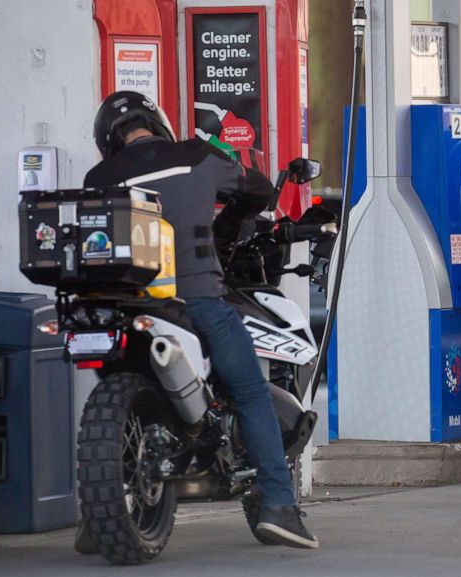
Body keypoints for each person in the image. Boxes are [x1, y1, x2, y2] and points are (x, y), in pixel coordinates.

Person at [79, 91, 319, 549]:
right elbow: (260, 190)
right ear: (156, 121)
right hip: (197, 299)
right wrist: (233, 218)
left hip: (124, 307)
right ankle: (279, 508)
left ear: (108, 138)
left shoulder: (99, 177)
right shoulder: (194, 154)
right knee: (250, 393)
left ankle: (98, 523)